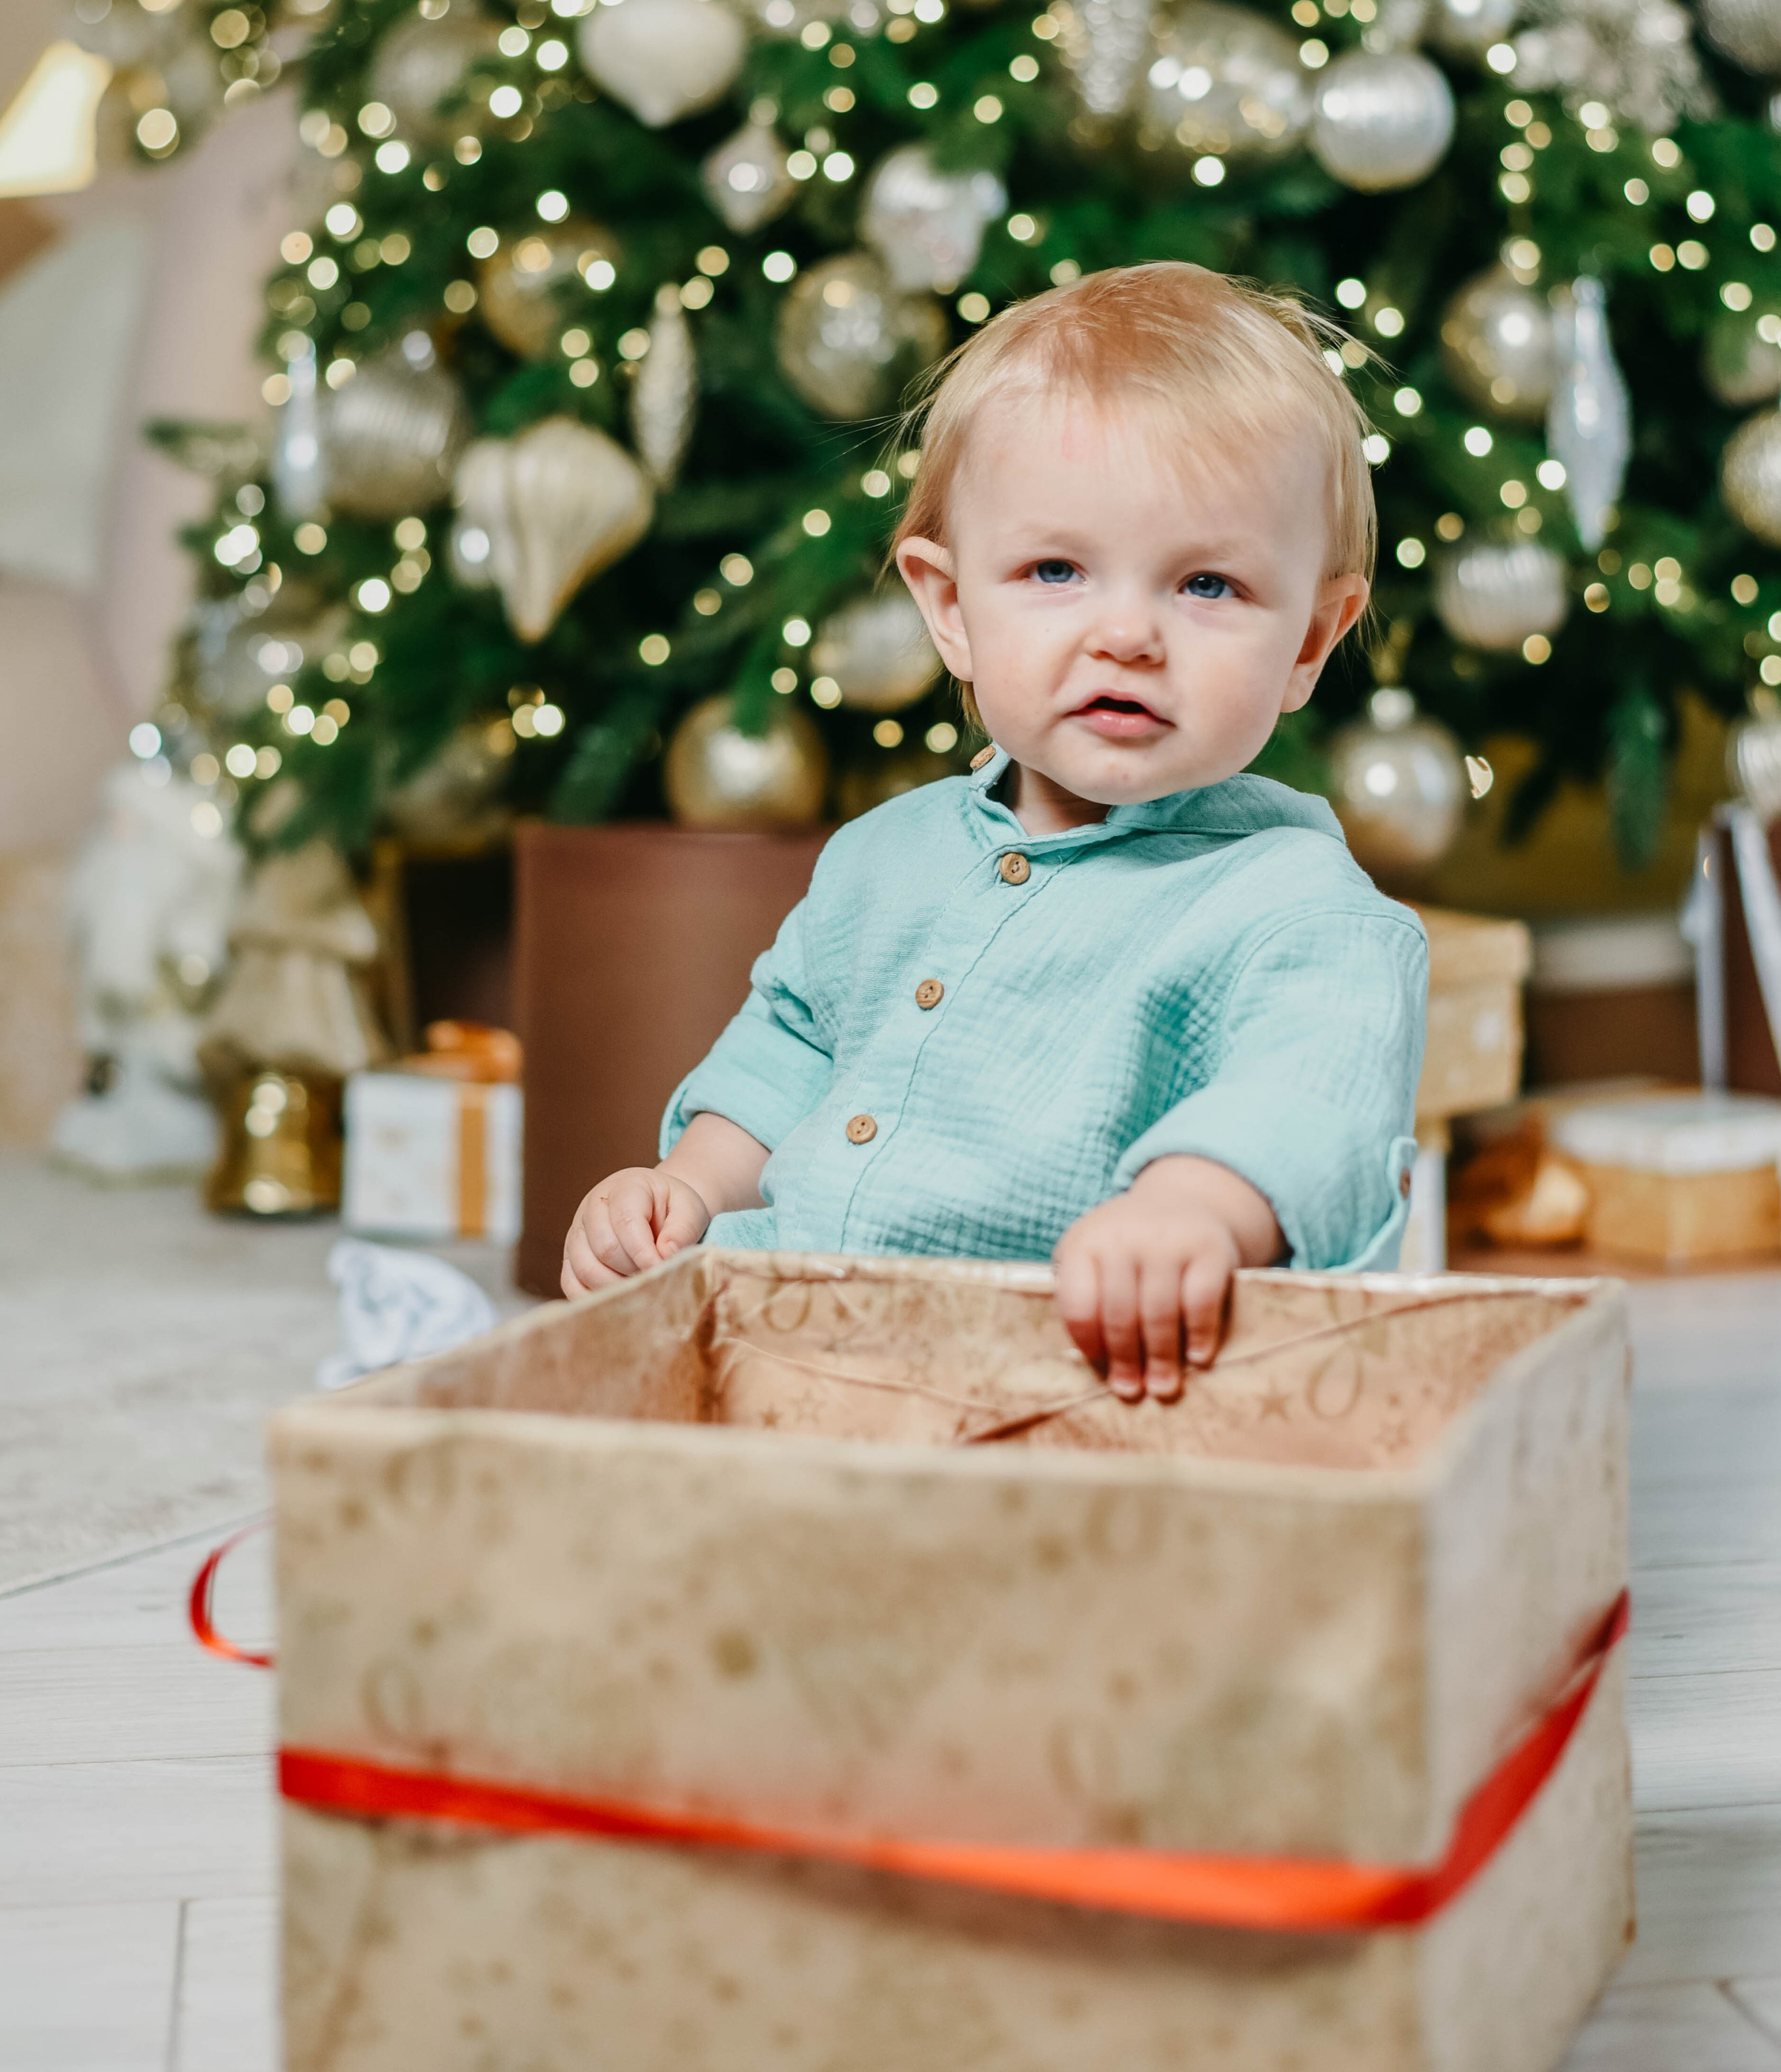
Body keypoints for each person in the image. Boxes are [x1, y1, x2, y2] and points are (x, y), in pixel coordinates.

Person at [562, 262, 1428, 1403]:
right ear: (953, 608)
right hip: (794, 1356)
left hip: (1070, 1394)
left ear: (1313, 639)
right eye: (1056, 570)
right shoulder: (880, 861)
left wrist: (1194, 1209)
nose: (1128, 633)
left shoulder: (1298, 911)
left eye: (1207, 586)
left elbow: (1316, 1103)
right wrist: (683, 1188)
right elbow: (791, 1054)